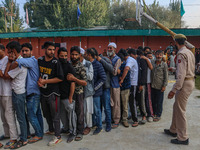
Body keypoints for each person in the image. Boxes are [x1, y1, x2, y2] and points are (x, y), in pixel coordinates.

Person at [10, 43, 44, 143]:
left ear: (31, 52)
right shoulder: (28, 61)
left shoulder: (31, 60)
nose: (24, 53)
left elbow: (16, 62)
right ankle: (40, 132)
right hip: (33, 92)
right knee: (37, 114)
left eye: (26, 51)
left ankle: (38, 134)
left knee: (30, 115)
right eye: (23, 51)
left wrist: (13, 58)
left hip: (33, 92)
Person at [165, 34, 195, 145]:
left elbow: (181, 75)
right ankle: (173, 129)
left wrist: (174, 90)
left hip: (184, 84)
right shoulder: (189, 52)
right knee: (176, 107)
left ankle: (183, 137)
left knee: (180, 110)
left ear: (175, 42)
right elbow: (187, 68)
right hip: (189, 81)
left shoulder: (181, 53)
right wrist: (175, 68)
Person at [38, 41, 64, 146]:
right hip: (43, 92)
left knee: (55, 115)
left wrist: (45, 81)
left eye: (54, 50)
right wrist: (39, 80)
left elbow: (60, 78)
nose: (52, 51)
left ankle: (58, 136)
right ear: (45, 49)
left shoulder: (56, 62)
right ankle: (52, 129)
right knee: (46, 114)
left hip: (53, 93)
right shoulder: (40, 60)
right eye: (50, 49)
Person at [4, 41, 28, 149]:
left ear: (14, 51)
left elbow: (7, 75)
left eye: (9, 52)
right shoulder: (19, 61)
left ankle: (23, 139)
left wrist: (9, 63)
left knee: (21, 117)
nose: (9, 54)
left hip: (18, 92)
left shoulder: (18, 63)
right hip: (18, 91)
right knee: (21, 115)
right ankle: (25, 135)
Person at [0, 44, 18, 149]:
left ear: (2, 50)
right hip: (0, 92)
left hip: (7, 92)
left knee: (9, 115)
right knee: (3, 116)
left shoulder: (8, 59)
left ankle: (14, 137)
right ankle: (7, 134)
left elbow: (4, 75)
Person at [67, 46, 87, 141]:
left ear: (79, 55)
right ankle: (71, 131)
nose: (74, 56)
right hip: (68, 93)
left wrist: (74, 79)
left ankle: (79, 131)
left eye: (76, 54)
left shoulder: (81, 67)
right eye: (72, 54)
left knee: (79, 113)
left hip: (79, 93)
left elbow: (85, 82)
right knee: (70, 113)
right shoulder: (68, 64)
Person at [57, 47, 77, 143]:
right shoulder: (56, 65)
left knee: (71, 115)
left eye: (65, 56)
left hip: (67, 96)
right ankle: (65, 128)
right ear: (58, 56)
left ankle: (73, 132)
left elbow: (73, 83)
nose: (64, 58)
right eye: (62, 56)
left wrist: (70, 97)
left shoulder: (69, 67)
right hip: (59, 95)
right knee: (62, 115)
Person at [84, 48, 106, 135]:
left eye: (86, 54)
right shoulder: (87, 64)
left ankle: (99, 127)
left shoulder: (97, 64)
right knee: (91, 110)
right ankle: (93, 124)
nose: (84, 55)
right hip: (89, 92)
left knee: (97, 110)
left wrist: (94, 88)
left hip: (96, 92)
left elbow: (103, 78)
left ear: (89, 55)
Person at [120, 48, 138, 127]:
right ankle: (128, 117)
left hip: (132, 83)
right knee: (127, 102)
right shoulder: (130, 60)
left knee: (131, 102)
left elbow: (127, 68)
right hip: (130, 83)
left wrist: (122, 79)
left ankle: (135, 119)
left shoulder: (129, 60)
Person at [96, 48, 113, 132]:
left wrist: (101, 60)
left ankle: (108, 124)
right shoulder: (92, 62)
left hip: (105, 87)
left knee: (106, 107)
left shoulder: (104, 59)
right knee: (99, 108)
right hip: (97, 88)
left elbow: (111, 69)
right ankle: (99, 124)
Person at [79, 48, 94, 135]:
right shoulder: (73, 63)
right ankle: (81, 125)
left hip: (87, 90)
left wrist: (82, 70)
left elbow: (90, 77)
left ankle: (88, 126)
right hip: (78, 90)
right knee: (80, 109)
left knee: (88, 110)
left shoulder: (88, 64)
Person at [107, 42, 121, 128]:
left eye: (111, 48)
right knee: (110, 103)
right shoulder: (108, 58)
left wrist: (107, 66)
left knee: (116, 103)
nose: (109, 50)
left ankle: (116, 120)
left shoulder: (117, 59)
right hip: (109, 84)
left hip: (115, 85)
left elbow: (115, 72)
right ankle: (111, 118)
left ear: (115, 49)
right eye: (108, 48)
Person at [151, 50, 168, 122]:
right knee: (153, 101)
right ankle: (154, 113)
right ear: (155, 55)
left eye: (160, 55)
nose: (158, 56)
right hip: (152, 85)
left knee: (159, 101)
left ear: (162, 55)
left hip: (160, 86)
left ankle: (158, 115)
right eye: (157, 55)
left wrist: (164, 86)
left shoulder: (164, 65)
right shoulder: (152, 63)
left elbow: (166, 76)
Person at [118, 49, 131, 128]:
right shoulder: (118, 66)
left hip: (125, 88)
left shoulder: (125, 66)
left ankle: (124, 119)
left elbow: (126, 77)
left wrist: (120, 78)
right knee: (119, 104)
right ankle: (119, 118)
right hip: (118, 87)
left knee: (125, 105)